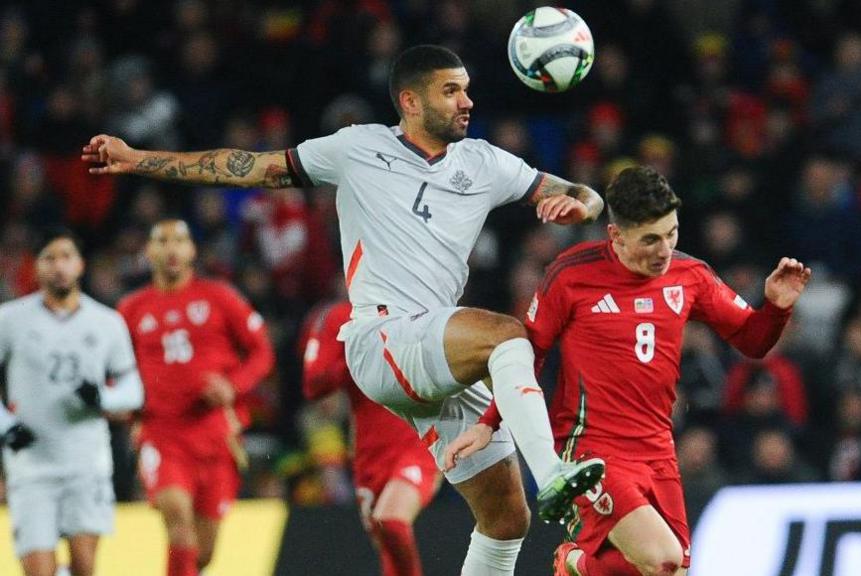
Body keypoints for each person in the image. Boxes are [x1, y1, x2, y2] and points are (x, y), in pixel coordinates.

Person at [84, 44, 605, 574]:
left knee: (505, 520)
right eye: (451, 91)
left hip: (435, 350)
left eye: (467, 88)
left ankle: (542, 483)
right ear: (411, 101)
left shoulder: (486, 163)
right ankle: (555, 473)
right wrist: (136, 159)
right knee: (506, 335)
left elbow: (578, 190)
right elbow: (247, 167)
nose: (467, 101)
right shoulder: (357, 149)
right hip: (382, 337)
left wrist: (580, 203)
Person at [447, 166, 811, 576]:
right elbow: (526, 357)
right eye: (651, 239)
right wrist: (490, 422)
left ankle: (578, 567)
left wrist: (777, 307)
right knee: (662, 559)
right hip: (591, 449)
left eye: (672, 234)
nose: (664, 250)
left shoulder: (689, 275)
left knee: (669, 571)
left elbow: (752, 341)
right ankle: (577, 561)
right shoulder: (572, 275)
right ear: (616, 235)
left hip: (658, 450)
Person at [117, 220, 274, 576]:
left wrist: (233, 386)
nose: (171, 248)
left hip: (215, 435)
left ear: (192, 251)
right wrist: (128, 412)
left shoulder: (219, 297)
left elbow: (262, 352)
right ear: (149, 252)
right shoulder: (131, 309)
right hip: (162, 434)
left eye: (180, 240)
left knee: (203, 553)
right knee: (178, 523)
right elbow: (112, 368)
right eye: (162, 241)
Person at [0, 228, 144, 576]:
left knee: (84, 566)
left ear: (80, 265)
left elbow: (134, 388)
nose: (59, 266)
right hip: (30, 466)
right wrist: (6, 426)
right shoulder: (9, 320)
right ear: (36, 267)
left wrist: (102, 397)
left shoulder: (107, 322)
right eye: (49, 258)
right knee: (38, 570)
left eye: (66, 257)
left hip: (86, 464)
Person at [302, 299, 441, 576]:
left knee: (391, 520)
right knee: (387, 543)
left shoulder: (418, 302)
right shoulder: (336, 316)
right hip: (370, 452)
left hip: (421, 439)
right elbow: (313, 385)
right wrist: (357, 353)